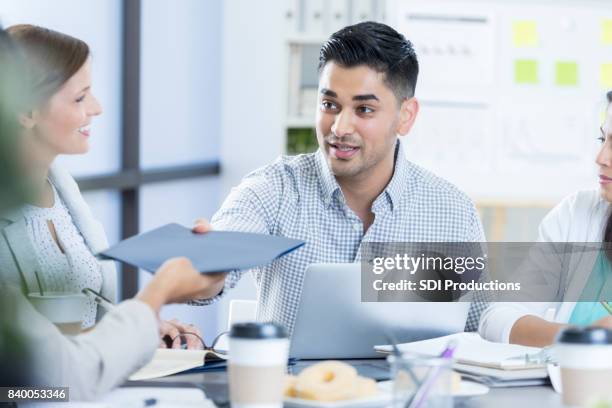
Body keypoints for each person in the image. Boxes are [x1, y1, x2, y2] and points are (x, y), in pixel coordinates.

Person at [192, 22, 487, 335]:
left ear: (406, 116)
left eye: (364, 109)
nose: (340, 128)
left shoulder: (453, 211)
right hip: (292, 384)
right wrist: (200, 269)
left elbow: (481, 322)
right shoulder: (273, 189)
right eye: (329, 105)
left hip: (410, 383)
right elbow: (214, 266)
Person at [0, 26, 226, 400]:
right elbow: (34, 384)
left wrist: (136, 330)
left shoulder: (61, 189)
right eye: (80, 98)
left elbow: (70, 332)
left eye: (362, 108)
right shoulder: (274, 187)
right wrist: (155, 299)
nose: (97, 108)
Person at [479, 92, 612, 347]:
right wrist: (583, 339)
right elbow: (496, 319)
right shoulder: (576, 213)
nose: (601, 158)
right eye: (602, 139)